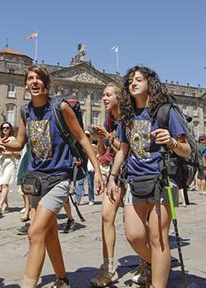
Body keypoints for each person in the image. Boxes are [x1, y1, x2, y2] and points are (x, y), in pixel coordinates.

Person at [0, 65, 103, 288]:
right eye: (30, 79)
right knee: (50, 233)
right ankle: (62, 279)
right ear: (25, 84)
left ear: (46, 84)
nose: (34, 82)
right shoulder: (25, 112)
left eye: (39, 79)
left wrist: (98, 171)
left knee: (35, 232)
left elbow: (82, 138)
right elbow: (19, 142)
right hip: (36, 179)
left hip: (59, 178)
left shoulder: (60, 107)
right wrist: (2, 144)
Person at [107, 66, 191, 288]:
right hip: (136, 180)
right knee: (134, 236)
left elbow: (186, 150)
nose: (133, 83)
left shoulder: (165, 111)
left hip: (162, 179)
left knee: (157, 237)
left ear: (149, 84)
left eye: (139, 80)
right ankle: (158, 263)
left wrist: (172, 142)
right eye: (130, 81)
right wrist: (112, 177)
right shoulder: (127, 116)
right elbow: (123, 150)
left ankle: (157, 284)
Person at [89, 82, 124, 287]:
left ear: (119, 97)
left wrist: (108, 136)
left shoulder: (128, 118)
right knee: (106, 216)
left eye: (108, 94)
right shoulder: (109, 119)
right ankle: (108, 266)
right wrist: (100, 137)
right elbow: (103, 152)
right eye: (103, 94)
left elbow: (126, 148)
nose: (103, 98)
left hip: (132, 173)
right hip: (114, 173)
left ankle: (147, 263)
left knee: (137, 229)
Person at [0, 122, 19, 215]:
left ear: (10, 129)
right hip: (0, 162)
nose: (5, 129)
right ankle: (6, 205)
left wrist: (10, 152)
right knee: (2, 184)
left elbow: (18, 155)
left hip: (9, 162)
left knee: (5, 185)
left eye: (7, 128)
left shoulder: (13, 139)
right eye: (3, 128)